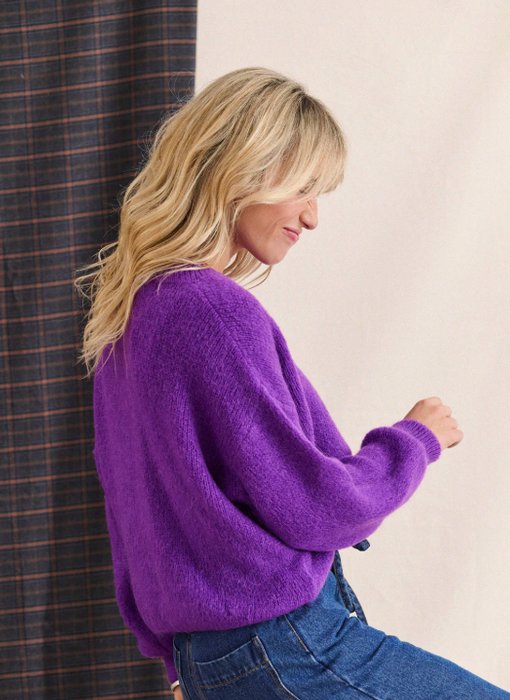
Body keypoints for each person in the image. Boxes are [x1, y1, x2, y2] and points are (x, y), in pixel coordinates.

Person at [75, 67, 509, 698]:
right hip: (281, 644)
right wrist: (416, 440)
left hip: (214, 659)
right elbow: (318, 506)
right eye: (303, 188)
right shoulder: (212, 310)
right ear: (241, 169)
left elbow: (135, 524)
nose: (312, 217)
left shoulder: (130, 316)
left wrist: (181, 666)